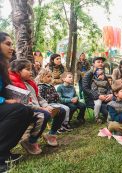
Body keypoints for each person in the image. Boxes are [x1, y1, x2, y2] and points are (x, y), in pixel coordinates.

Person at [10, 59, 65, 152]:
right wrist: (42, 108)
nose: (31, 72)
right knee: (44, 114)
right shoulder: (14, 85)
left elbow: (38, 97)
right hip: (27, 110)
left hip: (39, 107)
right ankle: (31, 141)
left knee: (61, 110)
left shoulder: (30, 83)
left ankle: (51, 134)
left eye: (31, 69)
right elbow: (26, 104)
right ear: (18, 71)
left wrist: (46, 106)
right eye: (28, 69)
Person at [0, 32, 33, 172]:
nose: (12, 47)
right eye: (8, 44)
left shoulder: (2, 66)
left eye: (12, 44)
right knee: (18, 109)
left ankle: (4, 152)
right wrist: (5, 101)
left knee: (27, 111)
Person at [35, 69, 72, 133]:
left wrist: (57, 96)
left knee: (67, 108)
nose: (50, 78)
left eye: (51, 77)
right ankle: (60, 127)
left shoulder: (51, 86)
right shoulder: (41, 87)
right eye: (48, 77)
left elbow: (56, 94)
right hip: (48, 104)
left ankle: (64, 124)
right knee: (62, 109)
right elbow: (41, 99)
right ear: (42, 77)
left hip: (55, 102)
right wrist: (52, 97)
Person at [82, 57, 113, 122]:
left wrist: (110, 94)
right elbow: (85, 89)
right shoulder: (88, 75)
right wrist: (98, 96)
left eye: (102, 62)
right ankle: (98, 117)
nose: (101, 63)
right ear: (93, 64)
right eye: (98, 62)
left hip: (104, 96)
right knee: (109, 112)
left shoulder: (103, 74)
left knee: (116, 106)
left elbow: (109, 87)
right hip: (92, 99)